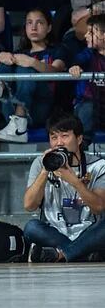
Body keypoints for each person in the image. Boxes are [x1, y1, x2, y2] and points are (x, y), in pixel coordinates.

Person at [23, 113, 105, 263]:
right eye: (54, 137)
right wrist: (45, 170)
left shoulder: (98, 166)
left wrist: (75, 181)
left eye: (65, 136)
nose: (59, 143)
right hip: (55, 233)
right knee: (31, 227)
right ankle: (83, 253)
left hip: (88, 232)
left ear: (79, 139)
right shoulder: (40, 163)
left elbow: (99, 207)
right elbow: (29, 205)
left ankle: (62, 254)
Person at [0, 8, 67, 143]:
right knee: (6, 63)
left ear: (49, 28)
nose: (34, 27)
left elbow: (56, 71)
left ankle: (19, 123)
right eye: (29, 23)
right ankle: (0, 87)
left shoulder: (58, 50)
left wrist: (33, 62)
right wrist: (1, 56)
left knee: (26, 70)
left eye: (39, 23)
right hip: (10, 109)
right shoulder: (20, 52)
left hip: (41, 109)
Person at [69, 14, 105, 147]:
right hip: (90, 106)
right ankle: (80, 148)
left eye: (91, 32)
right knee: (88, 107)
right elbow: (77, 60)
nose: (86, 35)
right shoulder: (89, 54)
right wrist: (75, 67)